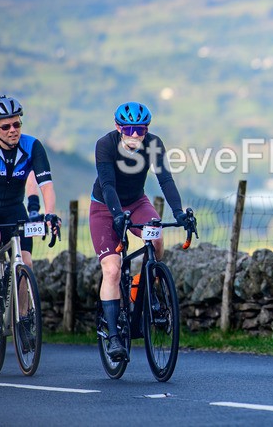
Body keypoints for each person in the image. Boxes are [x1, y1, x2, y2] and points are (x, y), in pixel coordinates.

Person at [90, 102, 191, 361]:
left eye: (141, 130)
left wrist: (179, 212)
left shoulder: (153, 144)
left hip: (136, 202)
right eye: (130, 129)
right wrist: (116, 216)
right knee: (112, 270)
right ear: (118, 127)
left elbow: (165, 179)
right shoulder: (105, 144)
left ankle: (148, 285)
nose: (136, 135)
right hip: (105, 206)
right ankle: (114, 337)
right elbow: (108, 184)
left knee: (156, 238)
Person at [0, 95, 59, 347]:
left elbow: (46, 184)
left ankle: (24, 321)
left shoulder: (32, 146)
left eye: (17, 124)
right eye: (6, 126)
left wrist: (50, 213)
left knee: (25, 263)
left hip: (16, 209)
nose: (13, 130)